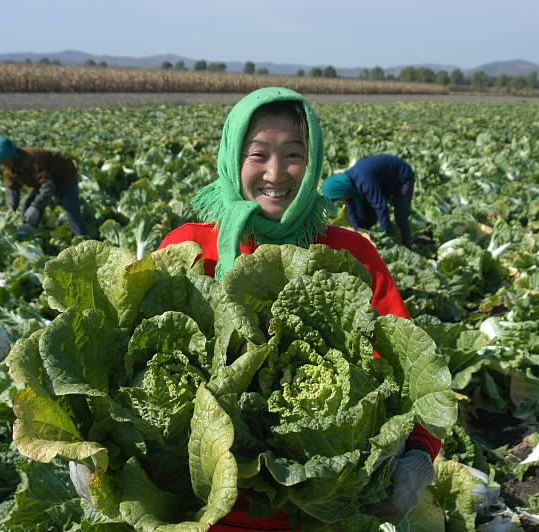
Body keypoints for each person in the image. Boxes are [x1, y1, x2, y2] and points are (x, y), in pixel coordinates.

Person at [157, 87, 440, 530]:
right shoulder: (188, 248)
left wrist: (419, 453)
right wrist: (95, 452)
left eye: (293, 154)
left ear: (312, 162)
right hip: (201, 510)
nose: (275, 172)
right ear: (233, 157)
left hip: (321, 509)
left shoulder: (350, 256)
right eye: (258, 154)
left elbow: (412, 367)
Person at [0, 136, 88, 236]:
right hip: (42, 182)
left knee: (72, 212)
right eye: (0, 162)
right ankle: (28, 235)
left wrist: (36, 207)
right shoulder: (8, 166)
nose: (2, 165)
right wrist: (11, 207)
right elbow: (12, 188)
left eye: (4, 161)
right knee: (27, 207)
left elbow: (48, 186)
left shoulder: (30, 159)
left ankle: (83, 239)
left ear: (10, 156)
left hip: (64, 176)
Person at [322, 154, 415, 248]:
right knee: (367, 217)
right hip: (385, 181)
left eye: (339, 198)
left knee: (400, 217)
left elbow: (380, 205)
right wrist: (358, 233)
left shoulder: (363, 180)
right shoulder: (348, 187)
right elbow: (352, 212)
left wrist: (387, 234)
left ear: (340, 191)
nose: (342, 200)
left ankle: (407, 245)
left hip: (402, 176)